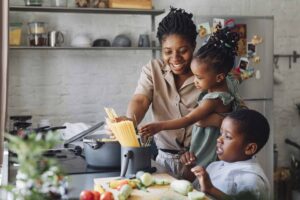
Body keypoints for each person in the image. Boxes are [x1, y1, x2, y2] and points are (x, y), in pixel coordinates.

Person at [140, 27, 244, 171]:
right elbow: (236, 79)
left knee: (194, 179)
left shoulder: (212, 99)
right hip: (187, 154)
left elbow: (188, 119)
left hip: (204, 154)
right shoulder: (227, 82)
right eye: (168, 51)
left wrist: (160, 126)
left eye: (199, 77)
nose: (195, 81)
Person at [191, 109, 270, 200]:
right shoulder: (214, 166)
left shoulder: (251, 180)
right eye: (221, 133)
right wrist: (189, 167)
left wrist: (211, 190)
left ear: (249, 148)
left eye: (227, 136)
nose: (219, 139)